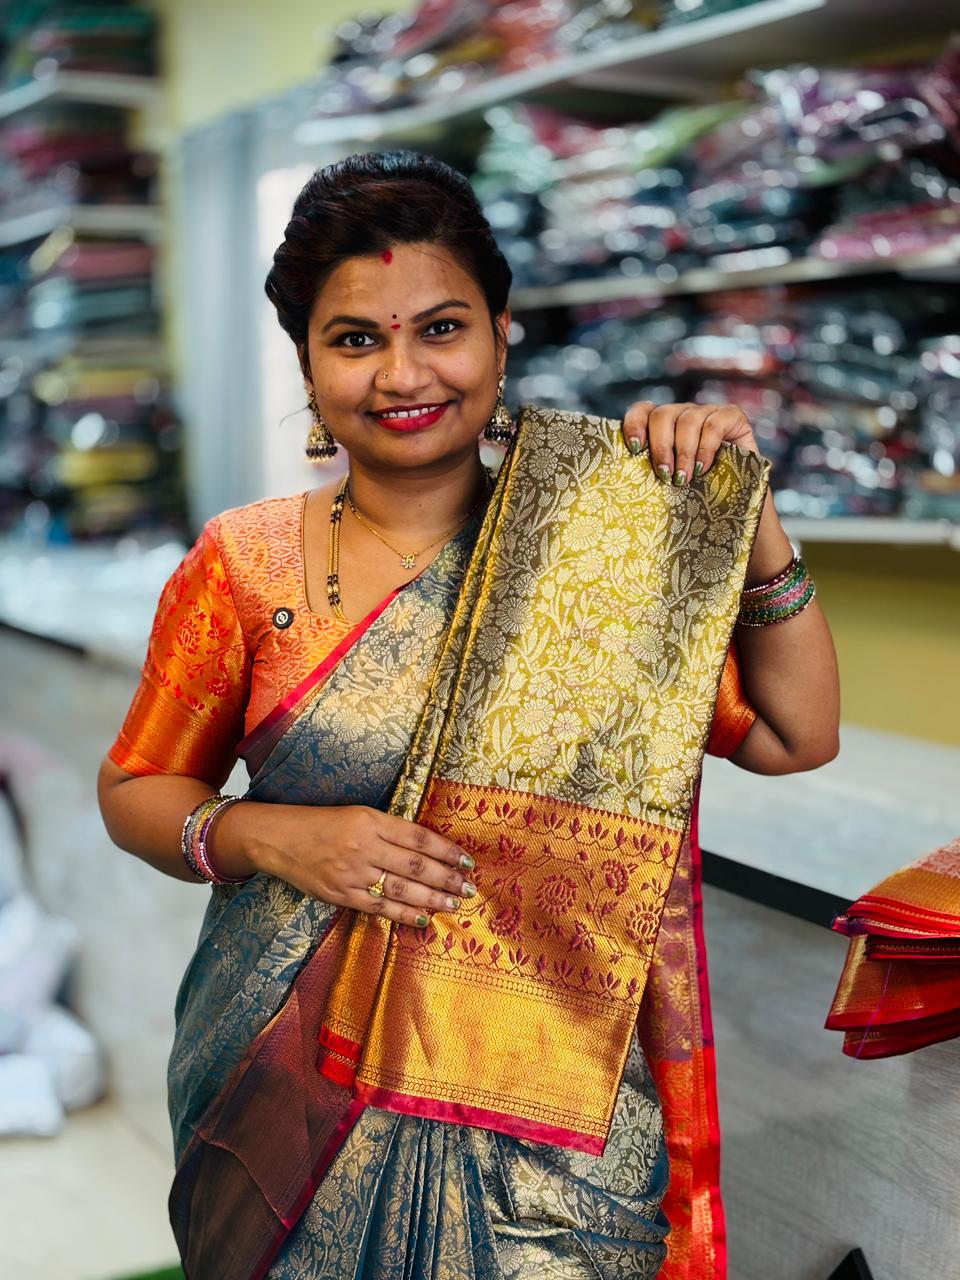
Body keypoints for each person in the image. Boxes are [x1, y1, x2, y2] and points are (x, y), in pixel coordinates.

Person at [98, 151, 839, 1280]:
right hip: (287, 1074)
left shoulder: (609, 545)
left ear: (502, 333)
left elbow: (797, 736)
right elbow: (137, 788)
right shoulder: (241, 564)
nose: (403, 372)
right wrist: (270, 835)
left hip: (550, 1086)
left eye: (441, 328)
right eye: (355, 339)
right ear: (307, 358)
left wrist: (750, 511)